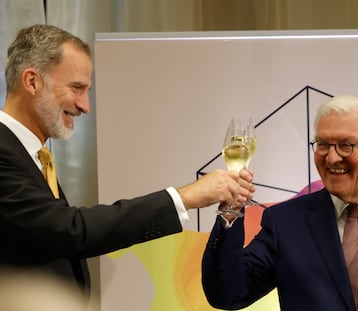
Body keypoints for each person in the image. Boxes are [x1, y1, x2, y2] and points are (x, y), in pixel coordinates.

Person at [0, 24, 255, 299]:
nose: (85, 106)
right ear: (32, 82)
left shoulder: (31, 154)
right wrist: (185, 197)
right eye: (76, 88)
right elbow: (71, 232)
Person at [202, 94, 358, 311]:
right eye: (322, 144)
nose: (331, 158)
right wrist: (230, 213)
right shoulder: (285, 221)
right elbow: (227, 294)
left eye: (346, 145)